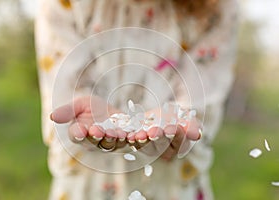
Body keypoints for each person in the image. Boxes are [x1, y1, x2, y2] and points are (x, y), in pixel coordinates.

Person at [35, 0, 238, 199]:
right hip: (87, 187)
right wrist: (81, 107)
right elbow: (65, 89)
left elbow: (198, 102)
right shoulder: (68, 4)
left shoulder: (214, 8)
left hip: (171, 186)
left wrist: (180, 121)